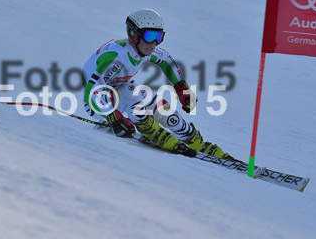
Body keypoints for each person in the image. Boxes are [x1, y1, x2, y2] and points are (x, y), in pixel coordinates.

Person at [81, 8, 230, 158]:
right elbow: (91, 91)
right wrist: (113, 117)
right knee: (132, 96)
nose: (154, 44)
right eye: (149, 35)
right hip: (97, 102)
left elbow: (166, 61)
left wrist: (181, 88)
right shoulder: (116, 57)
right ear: (133, 34)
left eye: (158, 36)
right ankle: (151, 130)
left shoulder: (144, 50)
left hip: (119, 89)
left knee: (155, 101)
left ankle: (191, 137)